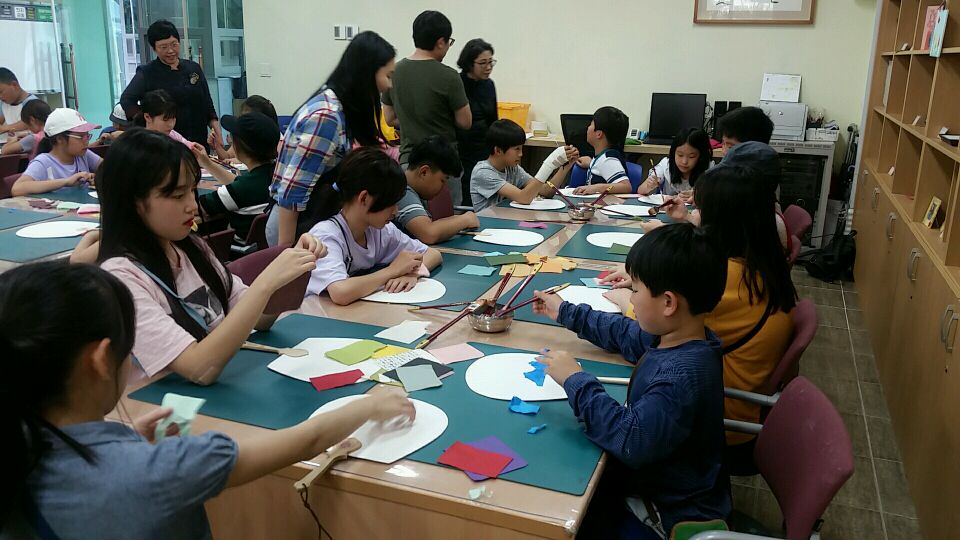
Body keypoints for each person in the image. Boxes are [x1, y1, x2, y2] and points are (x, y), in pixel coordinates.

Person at [0, 261, 415, 540]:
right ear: (100, 361)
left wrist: (122, 446)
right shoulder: (163, 469)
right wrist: (368, 405)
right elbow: (307, 440)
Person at [532, 223, 730, 538]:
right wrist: (565, 312)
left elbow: (629, 438)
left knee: (555, 511)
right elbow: (626, 334)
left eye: (635, 290)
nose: (631, 300)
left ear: (668, 303)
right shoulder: (683, 336)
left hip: (667, 513)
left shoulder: (679, 377)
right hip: (657, 482)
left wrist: (575, 379)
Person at [602, 166, 797, 474]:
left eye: (700, 209)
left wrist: (632, 295)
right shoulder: (760, 265)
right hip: (723, 399)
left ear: (721, 221)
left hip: (716, 425)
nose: (694, 212)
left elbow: (646, 331)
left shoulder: (729, 278)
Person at [94, 129, 326, 386]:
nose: (193, 205)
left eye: (192, 191)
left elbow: (260, 319)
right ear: (134, 203)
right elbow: (200, 370)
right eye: (178, 195)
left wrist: (293, 271)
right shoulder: (122, 278)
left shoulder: (190, 247)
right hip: (160, 404)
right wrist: (266, 282)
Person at [269, 31, 397, 247]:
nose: (389, 85)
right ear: (368, 73)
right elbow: (292, 192)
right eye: (388, 76)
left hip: (312, 220)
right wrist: (286, 251)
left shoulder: (341, 108)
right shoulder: (326, 116)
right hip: (293, 227)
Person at [305, 146, 443, 305]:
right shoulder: (326, 236)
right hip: (313, 314)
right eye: (391, 203)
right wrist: (393, 271)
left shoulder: (380, 231)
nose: (396, 211)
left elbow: (433, 254)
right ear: (364, 198)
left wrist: (412, 274)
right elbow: (340, 292)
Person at [381, 10, 471, 204]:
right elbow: (465, 122)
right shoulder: (449, 76)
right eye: (449, 42)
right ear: (440, 42)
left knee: (410, 216)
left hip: (409, 162)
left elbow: (389, 118)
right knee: (449, 218)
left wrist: (412, 120)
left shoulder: (395, 72)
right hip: (442, 166)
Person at [120, 19, 222, 148]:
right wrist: (148, 122)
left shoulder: (193, 68)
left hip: (197, 139)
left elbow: (207, 102)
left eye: (174, 44)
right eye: (163, 47)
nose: (170, 51)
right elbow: (127, 100)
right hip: (166, 143)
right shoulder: (147, 73)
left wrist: (215, 128)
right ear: (154, 48)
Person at [193, 111, 278, 241]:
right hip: (264, 247)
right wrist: (207, 163)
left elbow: (195, 208)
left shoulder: (240, 190)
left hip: (237, 249)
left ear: (238, 147)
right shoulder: (273, 176)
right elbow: (238, 183)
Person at [470, 119, 577, 212]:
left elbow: (546, 191)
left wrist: (565, 167)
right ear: (498, 150)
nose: (521, 154)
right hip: (487, 225)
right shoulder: (483, 172)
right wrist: (548, 164)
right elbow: (524, 198)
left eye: (521, 148)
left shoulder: (512, 168)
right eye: (517, 149)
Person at [394, 135, 480, 244]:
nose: (444, 187)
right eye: (442, 180)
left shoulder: (411, 189)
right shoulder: (402, 191)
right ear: (424, 172)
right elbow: (428, 234)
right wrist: (466, 219)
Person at [11, 108, 102, 197]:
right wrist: (66, 181)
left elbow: (107, 167)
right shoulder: (44, 162)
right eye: (81, 137)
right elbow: (17, 189)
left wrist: (97, 177)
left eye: (87, 136)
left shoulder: (83, 154)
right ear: (60, 139)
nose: (86, 141)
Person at [455, 38, 498, 206]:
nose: (488, 67)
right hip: (461, 151)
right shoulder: (456, 83)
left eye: (491, 62)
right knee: (466, 198)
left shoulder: (489, 85)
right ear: (469, 63)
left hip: (483, 150)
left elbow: (493, 120)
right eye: (482, 63)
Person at [636, 128, 713, 200]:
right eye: (680, 155)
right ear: (673, 153)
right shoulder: (666, 165)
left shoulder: (709, 170)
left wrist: (697, 196)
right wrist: (649, 185)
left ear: (701, 156)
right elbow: (640, 191)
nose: (684, 162)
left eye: (691, 156)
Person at [572, 106, 633, 195]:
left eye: (591, 124)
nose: (588, 127)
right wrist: (591, 163)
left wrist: (595, 188)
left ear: (599, 134)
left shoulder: (608, 160)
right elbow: (602, 167)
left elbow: (626, 187)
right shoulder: (602, 158)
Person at [209, 95, 279, 161]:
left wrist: (239, 161)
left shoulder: (276, 142)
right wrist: (217, 146)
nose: (243, 122)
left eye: (248, 118)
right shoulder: (243, 136)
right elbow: (227, 157)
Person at [0, 67, 38, 134]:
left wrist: (5, 128)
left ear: (14, 85)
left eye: (1, 92)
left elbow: (27, 123)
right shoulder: (4, 103)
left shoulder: (33, 102)